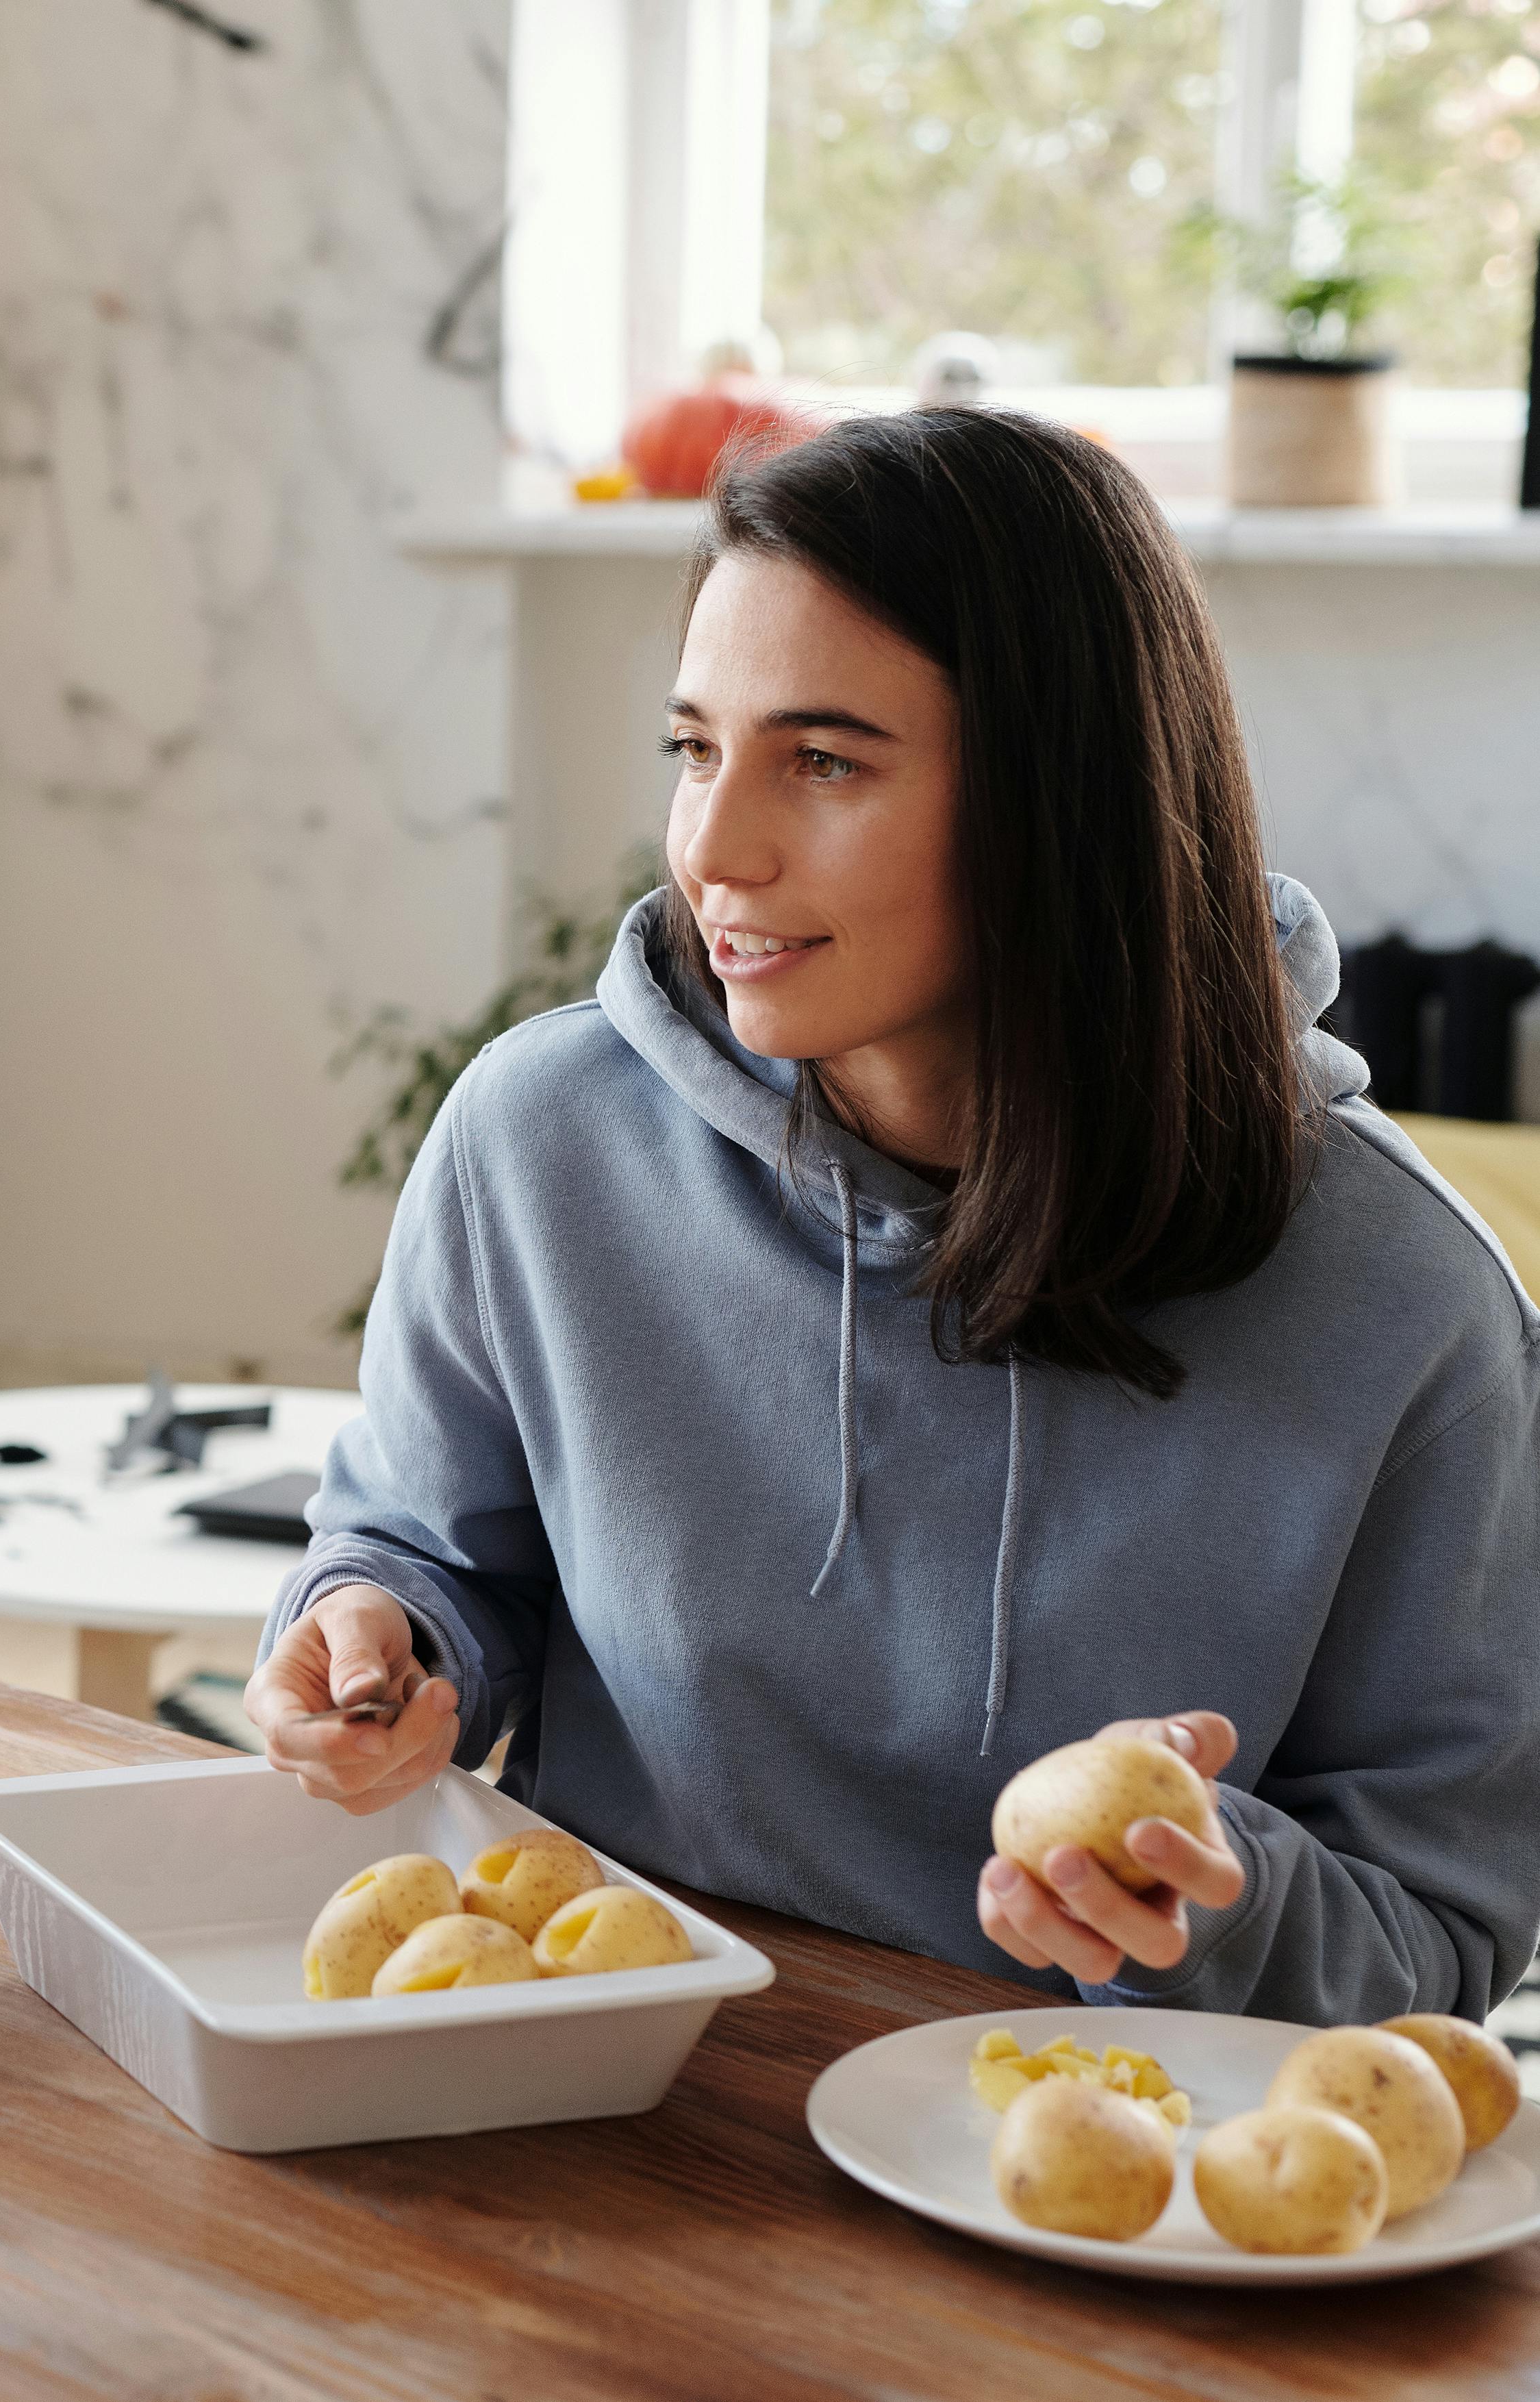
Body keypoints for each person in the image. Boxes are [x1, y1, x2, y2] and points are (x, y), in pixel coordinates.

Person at [245, 408, 1540, 2028]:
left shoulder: (1406, 1308)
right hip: (608, 2103)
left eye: (825, 761)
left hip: (1074, 2184)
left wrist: (1213, 1897)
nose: (713, 849)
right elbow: (428, 1553)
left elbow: (1442, 1935)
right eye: (695, 750)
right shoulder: (541, 1141)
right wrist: (381, 1641)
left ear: (1055, 805)